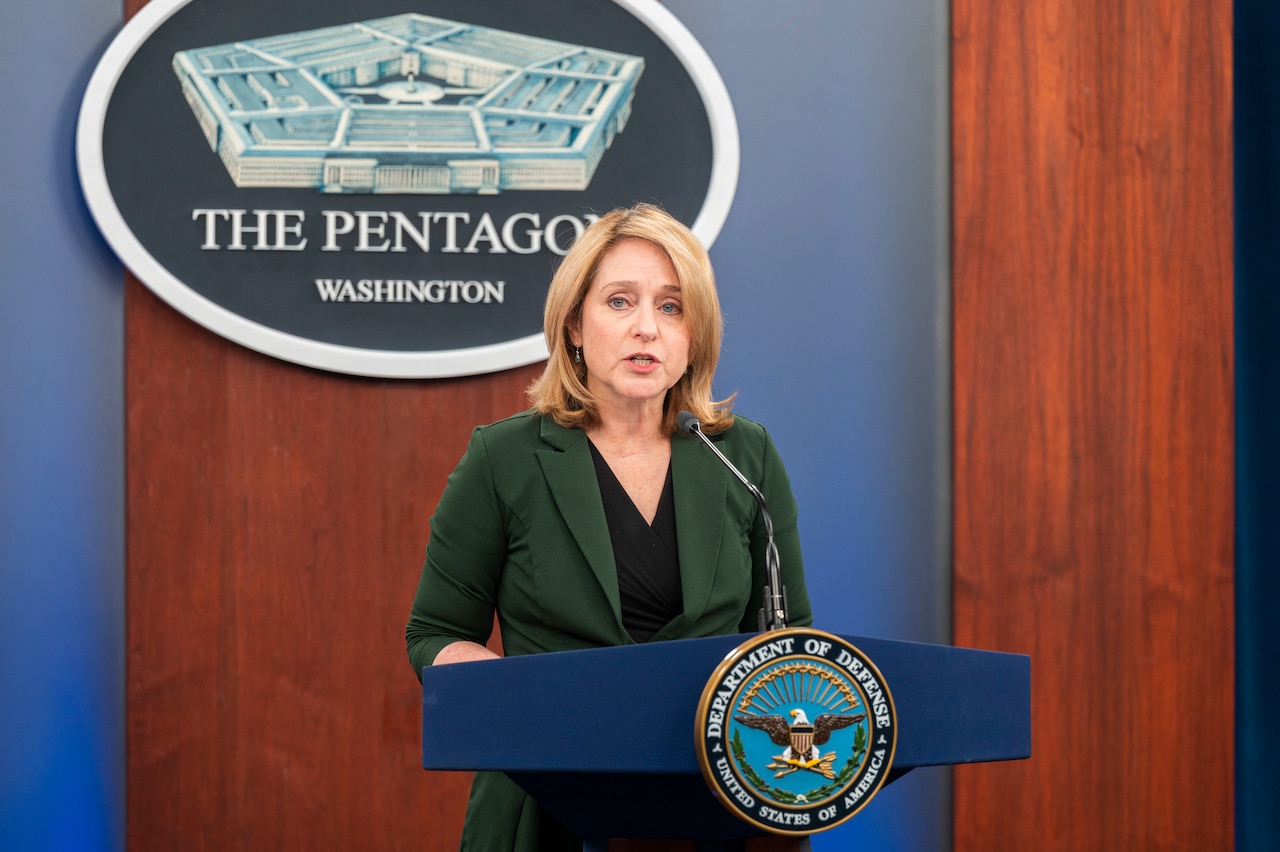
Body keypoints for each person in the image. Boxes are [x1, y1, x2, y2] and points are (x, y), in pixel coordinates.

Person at [406, 203, 813, 851]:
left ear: (695, 335)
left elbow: (791, 643)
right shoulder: (505, 460)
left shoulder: (743, 457)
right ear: (573, 324)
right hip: (550, 803)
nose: (646, 328)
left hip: (717, 807)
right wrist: (522, 700)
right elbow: (436, 633)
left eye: (672, 308)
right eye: (620, 302)